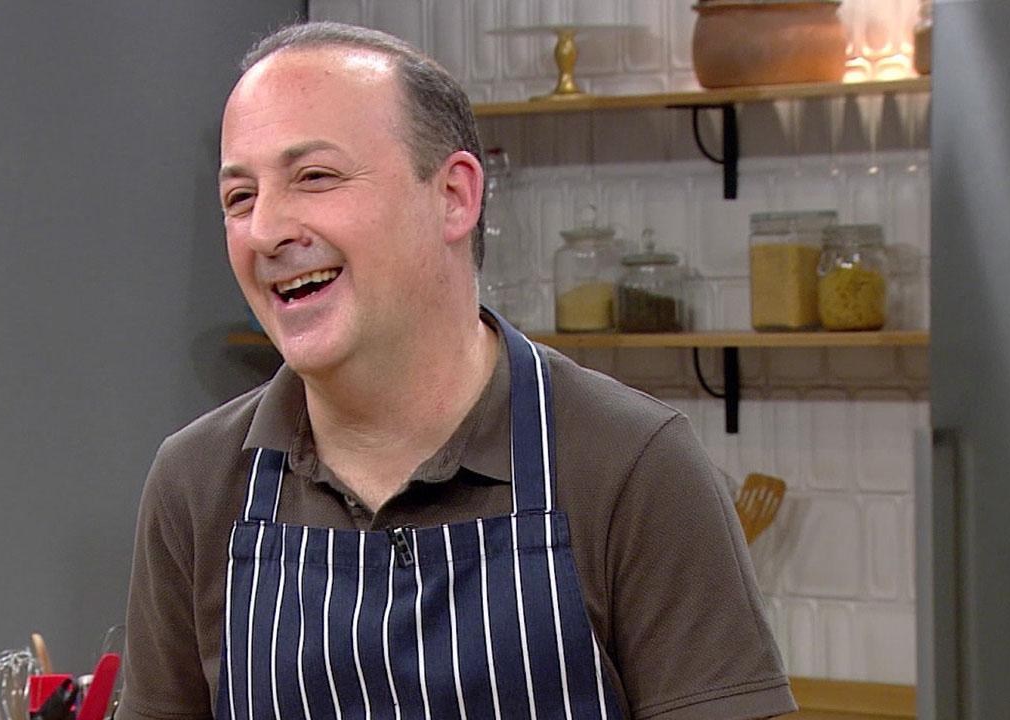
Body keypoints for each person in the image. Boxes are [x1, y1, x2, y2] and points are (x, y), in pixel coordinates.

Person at [117, 20, 796, 720]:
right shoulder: (196, 484)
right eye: (240, 198)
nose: (265, 231)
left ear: (453, 196)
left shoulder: (632, 467)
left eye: (314, 177)